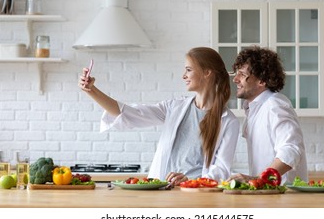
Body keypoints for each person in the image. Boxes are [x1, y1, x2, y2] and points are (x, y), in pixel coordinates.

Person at [79, 47, 240, 186]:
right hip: (162, 190)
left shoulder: (228, 121)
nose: (184, 75)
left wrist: (191, 180)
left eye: (189, 70)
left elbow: (221, 170)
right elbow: (128, 113)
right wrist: (92, 90)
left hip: (195, 194)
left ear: (207, 73)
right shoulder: (174, 107)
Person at [227, 45, 308, 185]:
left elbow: (291, 150)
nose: (235, 79)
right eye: (237, 73)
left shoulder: (275, 106)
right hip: (269, 194)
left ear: (262, 81)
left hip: (284, 198)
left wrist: (259, 179)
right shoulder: (254, 108)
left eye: (242, 74)